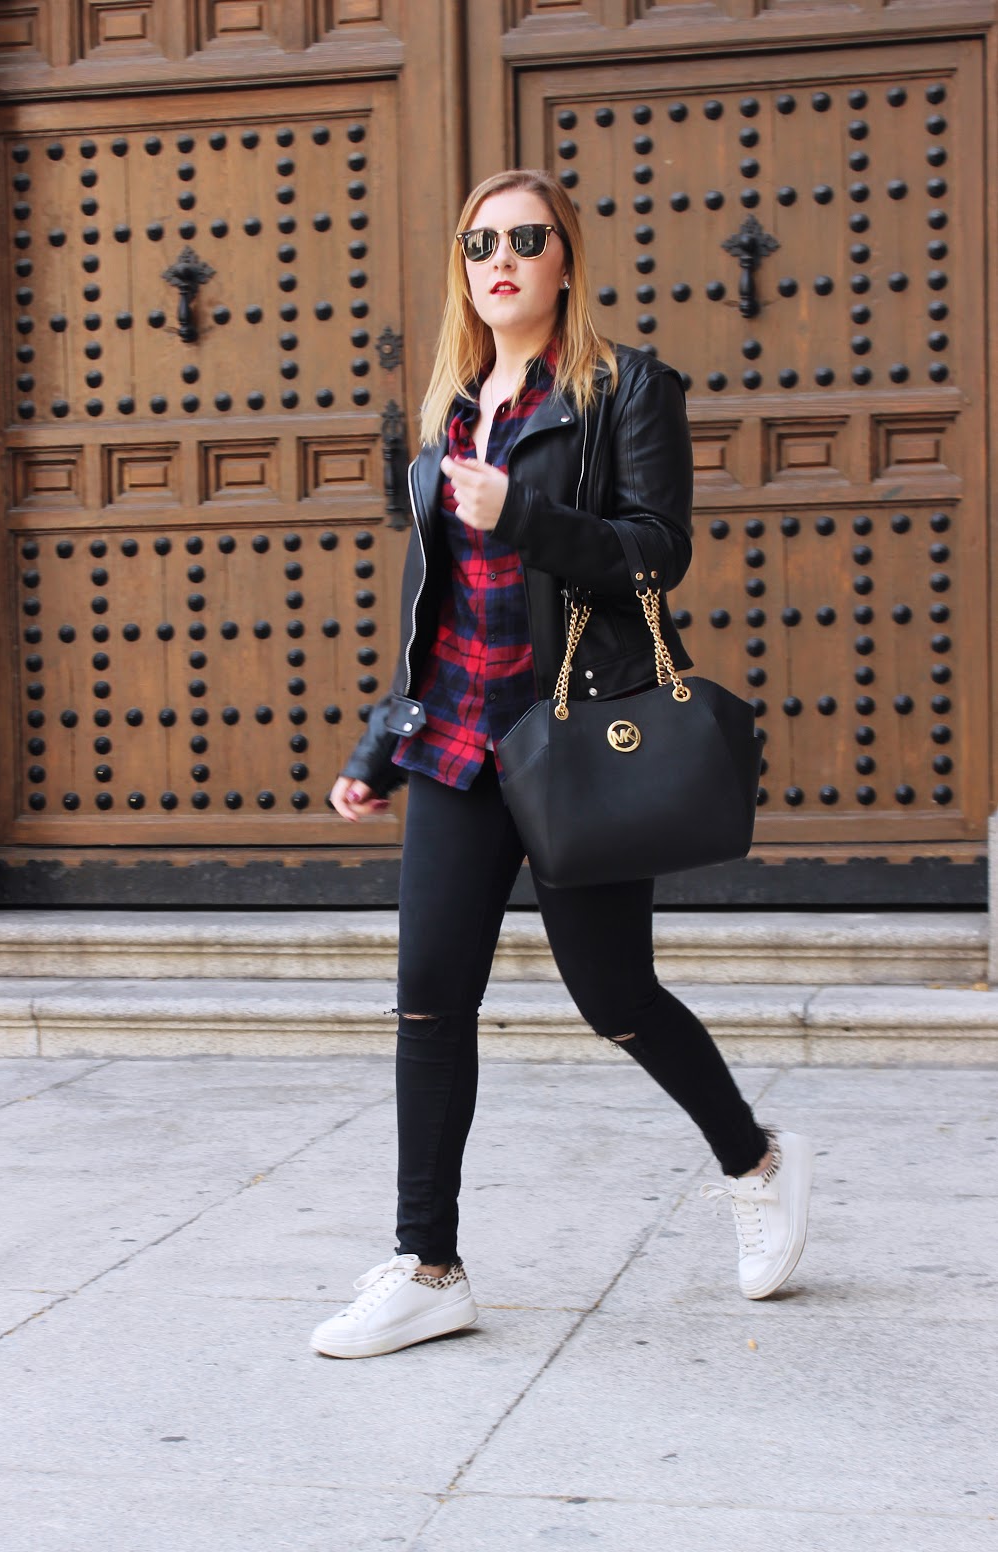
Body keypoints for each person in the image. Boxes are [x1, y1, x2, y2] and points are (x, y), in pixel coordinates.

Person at [310, 170, 813, 1360]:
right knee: (429, 996)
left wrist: (523, 517)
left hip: (568, 735)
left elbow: (656, 552)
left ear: (564, 260)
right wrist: (382, 742)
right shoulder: (447, 411)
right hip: (456, 741)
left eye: (524, 240)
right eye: (479, 242)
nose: (500, 260)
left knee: (613, 995)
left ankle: (754, 1160)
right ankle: (428, 1266)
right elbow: (432, 607)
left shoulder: (622, 387)